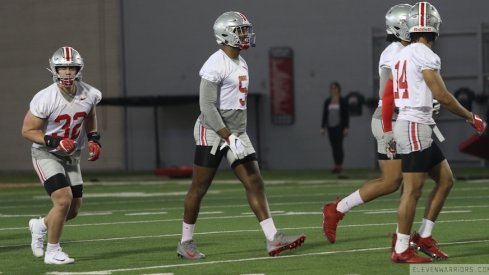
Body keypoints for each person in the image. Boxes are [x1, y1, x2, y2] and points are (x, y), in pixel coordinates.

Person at [176, 11, 306, 260]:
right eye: (240, 31)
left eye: (245, 30)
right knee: (199, 187)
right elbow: (207, 107)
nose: (245, 35)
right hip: (213, 131)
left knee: (254, 181)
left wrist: (235, 135)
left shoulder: (240, 61)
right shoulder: (215, 64)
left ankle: (272, 239)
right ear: (225, 34)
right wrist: (227, 136)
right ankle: (185, 242)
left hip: (235, 132)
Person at [385, 2, 486, 263]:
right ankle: (401, 249)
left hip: (411, 124)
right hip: (415, 127)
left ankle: (424, 236)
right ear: (434, 26)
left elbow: (401, 95)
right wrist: (469, 116)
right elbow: (442, 93)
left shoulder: (402, 55)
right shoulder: (425, 54)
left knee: (446, 180)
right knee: (412, 191)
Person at [322, 4, 411, 244]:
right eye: (413, 23)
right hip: (390, 120)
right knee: (393, 181)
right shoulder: (394, 52)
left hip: (407, 120)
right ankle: (338, 209)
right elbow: (386, 93)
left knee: (418, 178)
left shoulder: (412, 50)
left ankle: (405, 235)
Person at [22, 46, 102, 265]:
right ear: (54, 69)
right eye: (63, 67)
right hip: (46, 154)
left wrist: (94, 138)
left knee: (73, 209)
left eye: (71, 67)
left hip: (72, 156)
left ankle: (40, 225)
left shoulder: (90, 93)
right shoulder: (45, 97)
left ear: (78, 69)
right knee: (63, 200)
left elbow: (89, 114)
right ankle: (52, 251)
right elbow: (27, 131)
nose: (67, 72)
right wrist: (55, 141)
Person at [320, 81, 349, 173]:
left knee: (338, 146)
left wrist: (346, 127)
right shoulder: (328, 101)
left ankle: (339, 165)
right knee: (333, 146)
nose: (333, 90)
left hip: (339, 127)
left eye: (334, 88)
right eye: (331, 88)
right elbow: (325, 115)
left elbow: (346, 115)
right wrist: (322, 127)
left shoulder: (342, 101)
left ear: (338, 89)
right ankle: (336, 165)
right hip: (330, 127)